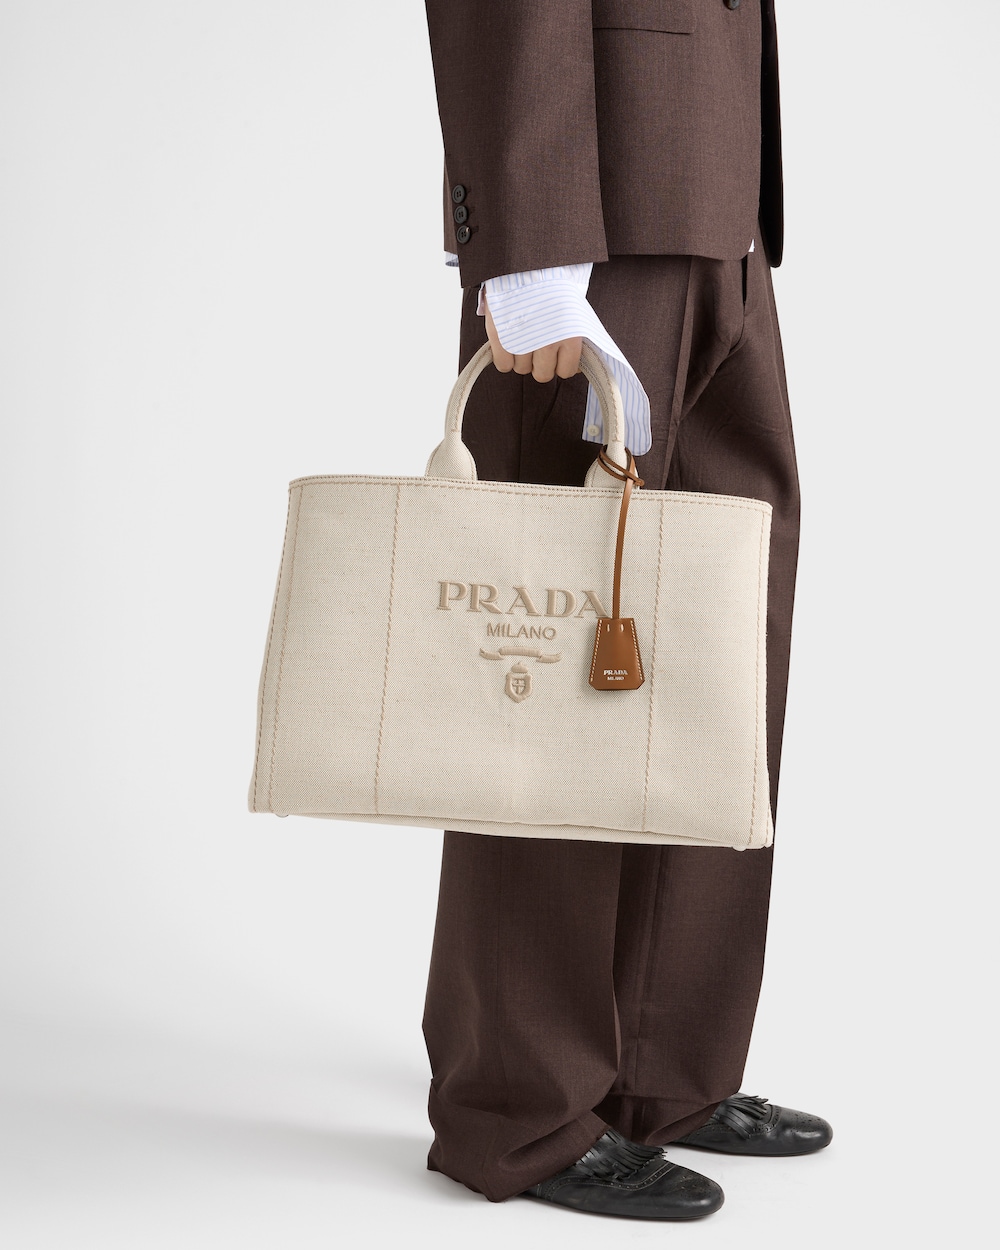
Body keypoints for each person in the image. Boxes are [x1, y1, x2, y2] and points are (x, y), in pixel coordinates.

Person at [420, 0, 831, 1220]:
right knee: (550, 665)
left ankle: (664, 1069)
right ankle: (521, 1104)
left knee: (716, 635)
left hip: (714, 206)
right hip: (590, 216)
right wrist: (528, 250)